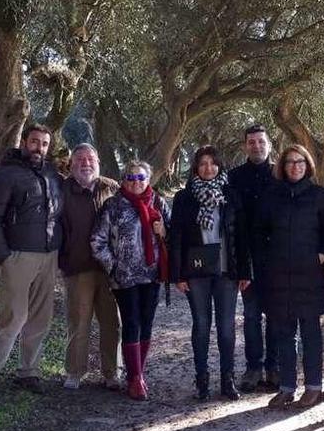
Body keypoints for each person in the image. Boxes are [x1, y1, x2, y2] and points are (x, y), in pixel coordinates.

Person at [0, 124, 62, 394]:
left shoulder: (51, 174)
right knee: (12, 317)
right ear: (24, 141)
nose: (39, 148)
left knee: (40, 318)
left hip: (49, 256)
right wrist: (3, 257)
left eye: (45, 144)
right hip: (18, 256)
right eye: (35, 142)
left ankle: (28, 372)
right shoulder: (4, 174)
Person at [254, 145, 324, 409]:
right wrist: (267, 261)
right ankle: (287, 388)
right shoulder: (271, 196)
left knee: (311, 332)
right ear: (283, 166)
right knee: (283, 334)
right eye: (289, 162)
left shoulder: (319, 196)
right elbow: (259, 232)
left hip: (309, 274)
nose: (295, 166)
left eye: (300, 162)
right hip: (278, 276)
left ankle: (313, 388)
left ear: (307, 165)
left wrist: (322, 254)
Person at [169, 145, 251, 401]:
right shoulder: (184, 198)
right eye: (203, 164)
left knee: (226, 327)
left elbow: (241, 237)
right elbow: (176, 238)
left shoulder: (231, 195)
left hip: (227, 271)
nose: (208, 168)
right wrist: (177, 275)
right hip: (196, 272)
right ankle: (202, 380)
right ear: (196, 167)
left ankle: (228, 380)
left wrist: (245, 271)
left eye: (213, 163)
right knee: (201, 326)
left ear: (219, 166)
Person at [91, 161, 170, 401]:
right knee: (132, 323)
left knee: (146, 323)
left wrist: (163, 231)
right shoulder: (113, 206)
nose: (136, 182)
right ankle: (135, 379)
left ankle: (138, 373)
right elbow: (97, 241)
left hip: (152, 275)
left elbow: (174, 233)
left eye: (141, 177)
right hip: (124, 278)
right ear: (124, 179)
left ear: (149, 179)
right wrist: (113, 266)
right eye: (131, 177)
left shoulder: (158, 202)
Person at [59, 144, 123, 391]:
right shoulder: (64, 189)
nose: (86, 163)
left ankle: (111, 373)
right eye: (80, 159)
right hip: (77, 268)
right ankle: (75, 372)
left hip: (108, 269)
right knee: (78, 322)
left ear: (98, 161)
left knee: (111, 323)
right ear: (72, 164)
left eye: (90, 158)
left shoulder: (111, 187)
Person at [228, 124, 279, 392]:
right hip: (247, 257)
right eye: (251, 142)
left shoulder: (280, 174)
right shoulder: (235, 177)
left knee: (274, 315)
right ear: (244, 146)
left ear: (269, 144)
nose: (256, 146)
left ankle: (274, 367)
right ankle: (253, 368)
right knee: (250, 316)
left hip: (276, 259)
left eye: (261, 141)